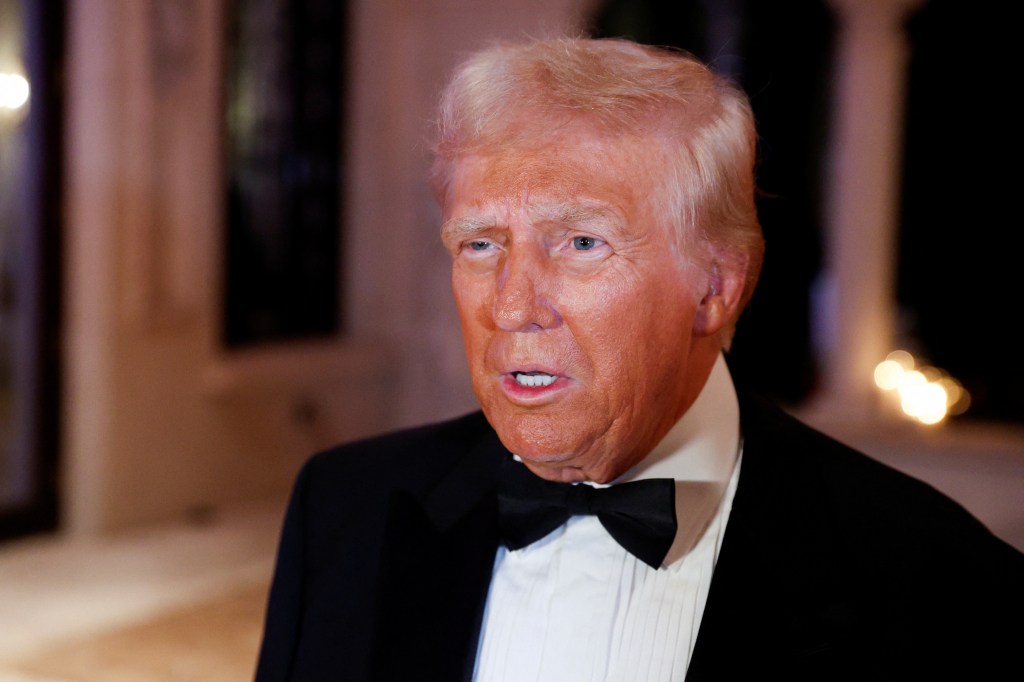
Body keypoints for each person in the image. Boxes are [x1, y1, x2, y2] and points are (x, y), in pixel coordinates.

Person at [253, 36, 1024, 681]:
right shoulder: (342, 508)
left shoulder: (939, 580)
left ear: (716, 288)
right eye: (481, 244)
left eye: (582, 243)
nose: (513, 306)